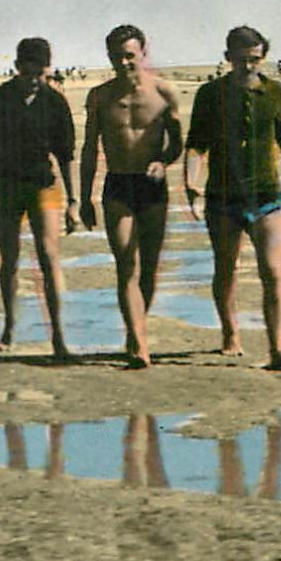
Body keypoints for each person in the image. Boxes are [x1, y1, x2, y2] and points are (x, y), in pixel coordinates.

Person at [184, 25, 281, 370]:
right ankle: (230, 334)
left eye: (256, 59)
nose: (250, 66)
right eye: (242, 60)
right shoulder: (210, 95)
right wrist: (191, 185)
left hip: (267, 197)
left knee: (274, 272)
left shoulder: (275, 92)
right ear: (228, 59)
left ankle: (278, 349)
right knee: (226, 269)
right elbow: (196, 145)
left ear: (263, 57)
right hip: (222, 199)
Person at [0, 37, 79, 359]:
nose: (34, 79)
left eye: (40, 72)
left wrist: (73, 202)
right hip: (4, 187)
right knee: (10, 259)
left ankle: (58, 335)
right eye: (28, 71)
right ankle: (10, 327)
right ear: (17, 67)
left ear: (47, 69)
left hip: (43, 185)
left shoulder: (55, 102)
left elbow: (66, 155)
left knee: (49, 255)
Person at [79, 24, 183, 368]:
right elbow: (90, 150)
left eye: (129, 55)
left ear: (143, 53)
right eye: (116, 56)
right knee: (127, 264)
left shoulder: (165, 93)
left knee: (149, 269)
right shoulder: (100, 96)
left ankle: (135, 329)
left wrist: (163, 161)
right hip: (118, 186)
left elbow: (177, 145)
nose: (123, 63)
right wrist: (84, 198)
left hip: (152, 186)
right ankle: (139, 342)